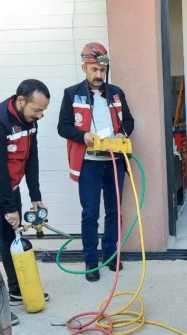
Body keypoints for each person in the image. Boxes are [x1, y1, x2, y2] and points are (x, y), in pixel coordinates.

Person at [0, 79, 52, 326]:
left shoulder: (29, 121)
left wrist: (35, 196)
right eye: (37, 109)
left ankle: (16, 290)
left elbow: (31, 159)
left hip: (8, 188)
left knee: (12, 240)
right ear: (21, 100)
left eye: (43, 111)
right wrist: (9, 208)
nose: (40, 115)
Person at [57, 42, 135, 282]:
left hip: (114, 160)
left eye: (102, 69)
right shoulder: (71, 93)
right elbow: (63, 127)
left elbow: (129, 120)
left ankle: (111, 256)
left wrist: (122, 132)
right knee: (90, 213)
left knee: (114, 211)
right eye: (94, 69)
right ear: (84, 68)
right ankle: (91, 261)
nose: (99, 74)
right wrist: (82, 136)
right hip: (88, 163)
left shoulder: (116, 93)